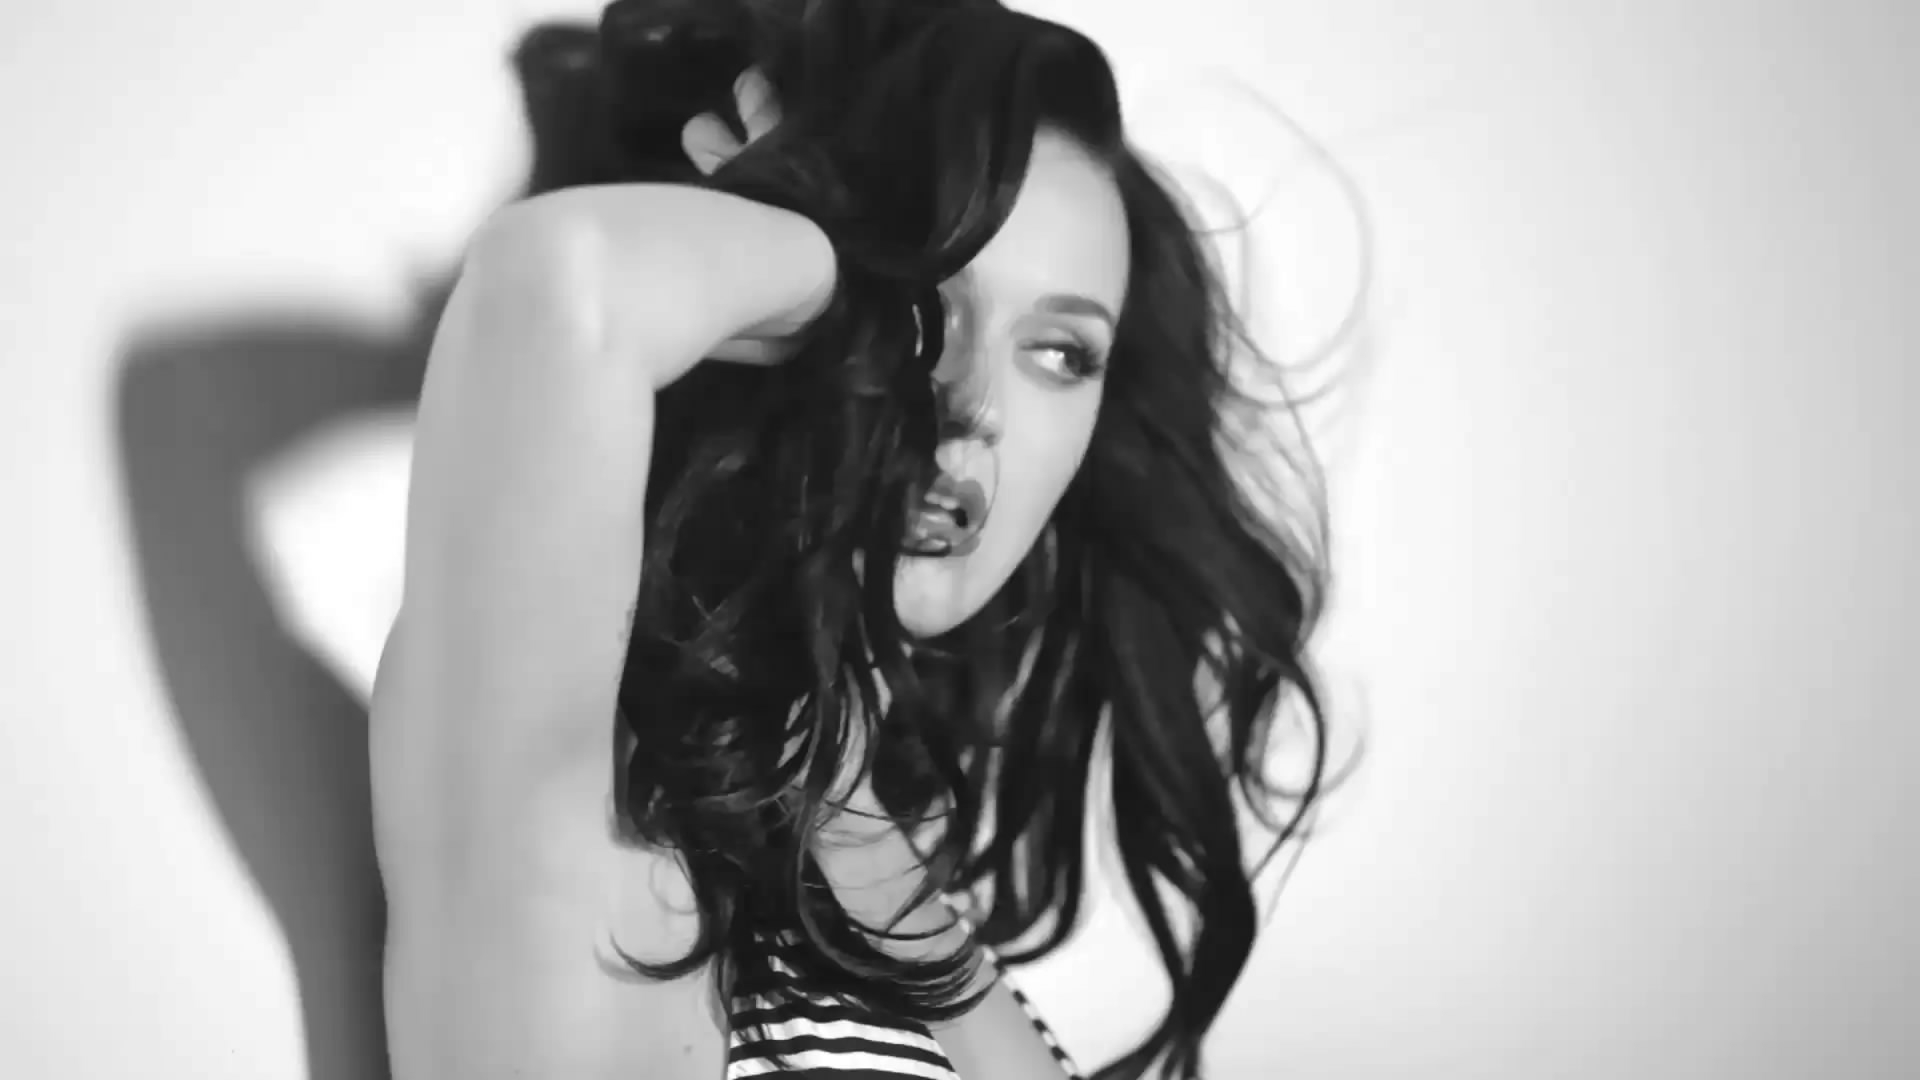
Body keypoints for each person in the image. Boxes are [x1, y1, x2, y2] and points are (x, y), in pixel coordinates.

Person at [258, 1, 1334, 1077]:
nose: (977, 404)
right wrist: (836, 256)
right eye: (924, 305)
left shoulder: (880, 858)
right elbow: (563, 281)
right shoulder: (593, 817)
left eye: (1060, 353)